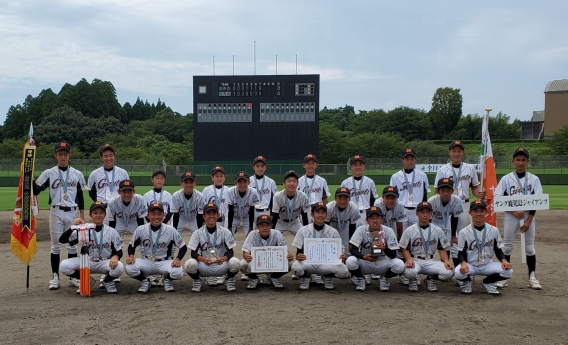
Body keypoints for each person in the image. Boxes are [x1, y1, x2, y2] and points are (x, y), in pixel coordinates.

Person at [33, 142, 88, 290]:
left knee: (72, 245)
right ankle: (55, 277)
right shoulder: (49, 173)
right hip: (56, 211)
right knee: (56, 245)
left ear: (69, 155)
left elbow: (81, 197)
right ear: (55, 155)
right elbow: (37, 190)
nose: (62, 156)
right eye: (60, 153)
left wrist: (82, 216)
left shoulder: (77, 174)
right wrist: (28, 178)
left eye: (65, 153)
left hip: (73, 212)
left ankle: (73, 277)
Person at [495, 148, 542, 289]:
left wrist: (529, 220)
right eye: (518, 160)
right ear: (513, 161)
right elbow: (498, 198)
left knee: (529, 247)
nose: (520, 163)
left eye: (523, 160)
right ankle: (504, 276)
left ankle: (532, 277)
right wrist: (513, 211)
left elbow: (537, 200)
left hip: (528, 215)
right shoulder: (506, 179)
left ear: (527, 161)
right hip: (511, 216)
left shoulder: (534, 179)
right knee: (507, 246)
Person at [434, 141, 485, 260]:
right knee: (447, 236)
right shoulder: (443, 170)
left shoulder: (470, 168)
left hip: (464, 204)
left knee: (463, 235)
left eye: (459, 151)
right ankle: (445, 264)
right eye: (453, 151)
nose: (456, 153)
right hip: (448, 205)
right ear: (449, 152)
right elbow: (437, 190)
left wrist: (479, 194)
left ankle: (462, 263)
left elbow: (474, 188)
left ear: (463, 153)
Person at [59, 202, 124, 293]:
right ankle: (87, 280)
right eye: (95, 213)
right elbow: (62, 240)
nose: (98, 215)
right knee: (64, 266)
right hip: (87, 262)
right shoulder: (83, 229)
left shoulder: (111, 231)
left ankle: (107, 281)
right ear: (90, 215)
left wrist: (116, 257)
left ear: (105, 215)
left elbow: (119, 250)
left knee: (119, 267)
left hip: (104, 262)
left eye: (101, 212)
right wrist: (73, 228)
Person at [125, 202, 187, 293]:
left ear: (163, 215)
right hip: (147, 262)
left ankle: (167, 280)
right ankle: (145, 281)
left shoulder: (171, 230)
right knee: (129, 267)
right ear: (148, 215)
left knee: (178, 272)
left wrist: (178, 259)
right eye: (153, 214)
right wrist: (131, 256)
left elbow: (183, 247)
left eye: (159, 214)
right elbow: (131, 246)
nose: (156, 217)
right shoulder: (141, 229)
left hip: (165, 262)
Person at [455, 200, 513, 295]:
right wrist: (463, 263)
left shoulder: (493, 230)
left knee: (508, 271)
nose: (479, 214)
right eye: (475, 211)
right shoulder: (463, 232)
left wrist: (504, 260)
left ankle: (487, 282)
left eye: (482, 211)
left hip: (487, 264)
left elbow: (498, 249)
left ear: (486, 212)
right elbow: (461, 252)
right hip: (471, 265)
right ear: (470, 213)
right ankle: (467, 282)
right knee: (458, 272)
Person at [291, 202, 349, 290]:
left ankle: (327, 276)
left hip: (327, 264)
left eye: (323, 212)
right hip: (309, 263)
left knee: (344, 271)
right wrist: (299, 256)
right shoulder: (303, 230)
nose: (320, 215)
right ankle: (306, 277)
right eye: (318, 212)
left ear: (326, 215)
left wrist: (341, 257)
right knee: (295, 267)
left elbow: (339, 251)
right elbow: (298, 253)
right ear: (312, 214)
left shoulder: (333, 231)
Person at [184, 203, 241, 292]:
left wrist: (222, 259)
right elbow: (193, 253)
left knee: (236, 262)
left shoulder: (225, 232)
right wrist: (203, 259)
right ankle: (197, 280)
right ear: (204, 216)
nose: (211, 216)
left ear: (218, 215)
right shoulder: (197, 233)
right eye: (208, 214)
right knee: (189, 264)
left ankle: (228, 279)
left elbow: (230, 252)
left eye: (214, 213)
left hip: (220, 264)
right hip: (205, 265)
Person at [345, 207, 405, 292]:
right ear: (367, 220)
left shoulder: (388, 231)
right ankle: (361, 279)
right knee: (350, 261)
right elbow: (352, 249)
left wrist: (384, 247)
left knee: (400, 264)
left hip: (382, 262)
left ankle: (384, 278)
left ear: (382, 219)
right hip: (365, 262)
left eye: (377, 218)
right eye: (371, 218)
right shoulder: (361, 229)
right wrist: (363, 257)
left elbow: (393, 255)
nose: (375, 220)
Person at [399, 202, 454, 292]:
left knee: (448, 272)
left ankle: (430, 279)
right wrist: (409, 259)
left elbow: (441, 249)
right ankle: (413, 280)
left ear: (431, 214)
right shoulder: (409, 230)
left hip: (430, 261)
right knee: (410, 272)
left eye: (428, 212)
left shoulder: (437, 230)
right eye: (422, 212)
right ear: (417, 213)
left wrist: (446, 261)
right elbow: (404, 249)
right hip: (415, 260)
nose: (425, 215)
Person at [240, 215, 293, 289]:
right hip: (257, 263)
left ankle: (274, 277)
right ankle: (254, 278)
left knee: (290, 263)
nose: (264, 228)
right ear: (257, 227)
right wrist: (246, 256)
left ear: (271, 226)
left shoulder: (277, 233)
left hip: (272, 263)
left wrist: (289, 255)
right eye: (261, 225)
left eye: (267, 225)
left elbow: (284, 249)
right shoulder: (252, 234)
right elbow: (245, 251)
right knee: (242, 264)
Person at [142, 168, 173, 287]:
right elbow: (145, 212)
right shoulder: (147, 195)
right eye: (157, 178)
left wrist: (162, 223)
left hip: (165, 225)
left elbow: (170, 212)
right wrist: (152, 222)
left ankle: (165, 275)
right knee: (149, 247)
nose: (159, 180)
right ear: (152, 180)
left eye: (162, 178)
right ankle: (150, 274)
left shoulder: (168, 195)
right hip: (150, 226)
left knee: (167, 249)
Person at [200, 166, 230, 286]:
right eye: (216, 176)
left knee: (222, 245)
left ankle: (221, 272)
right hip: (210, 220)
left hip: (224, 220)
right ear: (212, 177)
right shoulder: (206, 190)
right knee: (208, 244)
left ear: (224, 177)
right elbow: (203, 207)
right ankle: (209, 274)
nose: (219, 178)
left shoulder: (229, 190)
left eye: (221, 176)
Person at [373, 186, 408, 283]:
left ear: (397, 198)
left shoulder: (400, 205)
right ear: (382, 198)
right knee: (377, 248)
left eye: (393, 198)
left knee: (397, 251)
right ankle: (375, 270)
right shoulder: (377, 204)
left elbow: (399, 224)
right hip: (378, 228)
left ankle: (401, 274)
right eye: (387, 198)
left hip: (392, 227)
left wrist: (399, 241)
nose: (390, 201)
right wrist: (377, 238)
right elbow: (374, 223)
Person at [390, 148, 430, 230]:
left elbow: (425, 194)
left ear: (415, 160)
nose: (410, 161)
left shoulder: (422, 175)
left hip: (417, 210)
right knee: (401, 236)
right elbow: (392, 196)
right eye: (407, 159)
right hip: (402, 210)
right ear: (402, 160)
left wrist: (423, 210)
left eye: (412, 159)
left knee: (418, 235)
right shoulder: (395, 176)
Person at [87, 144, 130, 219]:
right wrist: (99, 202)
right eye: (105, 156)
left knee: (118, 229)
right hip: (102, 207)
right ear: (101, 158)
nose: (109, 158)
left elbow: (128, 190)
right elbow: (91, 192)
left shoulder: (123, 172)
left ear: (114, 157)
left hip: (119, 207)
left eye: (111, 155)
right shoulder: (94, 174)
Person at [428, 178, 464, 267]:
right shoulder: (431, 201)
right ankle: (430, 270)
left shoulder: (457, 200)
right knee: (430, 245)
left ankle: (453, 269)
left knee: (451, 246)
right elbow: (428, 218)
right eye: (442, 190)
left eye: (448, 190)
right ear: (437, 191)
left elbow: (455, 217)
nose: (445, 193)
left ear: (452, 191)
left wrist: (453, 235)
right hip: (434, 222)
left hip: (447, 221)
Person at [341, 155, 378, 227]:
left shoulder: (370, 182)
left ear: (364, 166)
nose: (358, 167)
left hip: (365, 213)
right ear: (351, 167)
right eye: (355, 165)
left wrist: (371, 214)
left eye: (360, 165)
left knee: (366, 235)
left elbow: (373, 200)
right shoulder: (345, 183)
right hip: (351, 213)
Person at [325, 187, 360, 259]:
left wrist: (351, 242)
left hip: (345, 226)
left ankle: (346, 263)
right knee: (330, 244)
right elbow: (326, 224)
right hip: (332, 226)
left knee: (347, 248)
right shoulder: (329, 207)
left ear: (349, 199)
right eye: (340, 198)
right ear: (335, 198)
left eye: (345, 198)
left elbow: (352, 226)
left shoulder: (354, 208)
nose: (342, 201)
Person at [271, 170, 310, 236]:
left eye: (294, 181)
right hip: (280, 222)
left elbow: (304, 215)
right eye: (289, 181)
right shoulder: (277, 196)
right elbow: (275, 215)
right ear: (284, 184)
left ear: (297, 183)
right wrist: (272, 230)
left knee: (304, 236)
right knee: (273, 237)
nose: (291, 184)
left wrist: (306, 230)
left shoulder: (303, 196)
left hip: (295, 222)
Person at [298, 154, 331, 222]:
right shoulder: (299, 181)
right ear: (304, 165)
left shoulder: (322, 180)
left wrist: (326, 211)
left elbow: (324, 198)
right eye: (308, 163)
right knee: (306, 230)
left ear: (316, 165)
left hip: (319, 209)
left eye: (313, 163)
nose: (310, 165)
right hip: (305, 210)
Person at [225, 171, 258, 236]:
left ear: (248, 182)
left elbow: (252, 211)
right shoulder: (230, 192)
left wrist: (251, 227)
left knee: (252, 235)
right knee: (227, 235)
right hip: (233, 216)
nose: (242, 185)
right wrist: (229, 227)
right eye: (240, 182)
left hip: (247, 217)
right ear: (235, 183)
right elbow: (230, 211)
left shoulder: (253, 192)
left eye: (245, 182)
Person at [249, 156, 277, 229]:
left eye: (262, 166)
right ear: (253, 167)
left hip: (266, 211)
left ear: (265, 167)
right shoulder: (248, 181)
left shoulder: (271, 182)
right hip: (253, 212)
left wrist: (272, 213)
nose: (260, 168)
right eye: (257, 166)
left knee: (266, 232)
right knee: (252, 233)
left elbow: (273, 199)